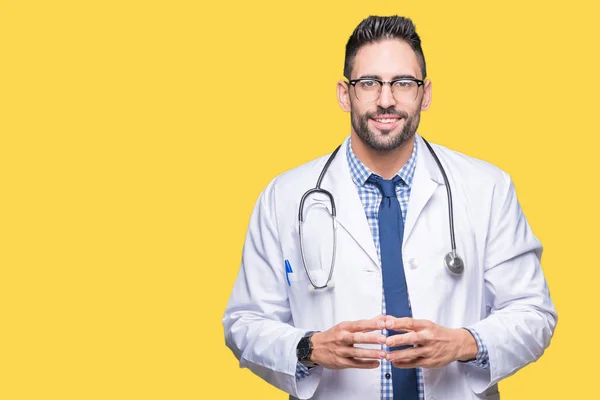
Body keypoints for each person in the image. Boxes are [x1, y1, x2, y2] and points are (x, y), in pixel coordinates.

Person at [222, 15, 557, 400]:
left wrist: (465, 343)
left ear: (425, 94)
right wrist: (309, 348)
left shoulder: (488, 188)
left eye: (403, 83)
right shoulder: (284, 197)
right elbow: (243, 323)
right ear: (345, 94)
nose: (386, 99)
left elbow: (534, 313)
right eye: (369, 83)